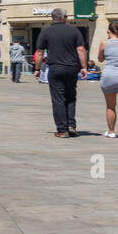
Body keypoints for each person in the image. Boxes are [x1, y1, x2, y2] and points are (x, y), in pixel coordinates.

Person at [36, 8, 88, 138]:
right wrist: (84, 67)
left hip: (55, 68)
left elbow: (39, 52)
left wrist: (37, 69)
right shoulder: (74, 30)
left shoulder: (46, 32)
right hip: (72, 68)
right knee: (71, 96)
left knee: (58, 98)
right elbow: (81, 49)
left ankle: (62, 129)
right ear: (63, 17)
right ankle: (71, 125)